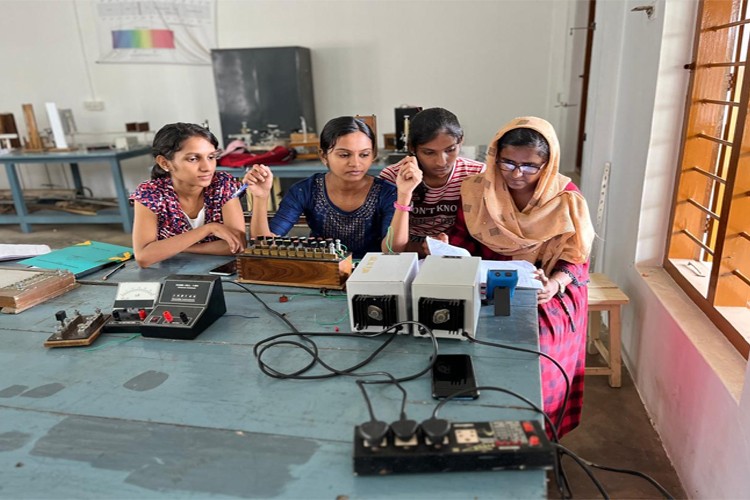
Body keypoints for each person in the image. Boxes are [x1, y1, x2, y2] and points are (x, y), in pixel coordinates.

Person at [441, 116, 594, 438]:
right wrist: (449, 247)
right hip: (487, 282)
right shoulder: (478, 191)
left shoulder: (566, 198)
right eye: (507, 162)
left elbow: (576, 258)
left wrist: (555, 283)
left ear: (547, 164)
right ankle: (480, 427)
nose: (516, 173)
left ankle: (537, 435)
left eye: (529, 166)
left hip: (548, 288)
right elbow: (463, 240)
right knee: (456, 337)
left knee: (537, 353)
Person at [242, 116, 397, 259]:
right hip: (321, 272)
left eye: (364, 155)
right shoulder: (305, 190)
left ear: (373, 155)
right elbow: (263, 246)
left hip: (371, 274)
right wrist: (260, 197)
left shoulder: (387, 193)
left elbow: (391, 250)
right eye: (344, 155)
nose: (355, 163)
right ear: (323, 156)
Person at [130, 123, 246, 268]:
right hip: (169, 274)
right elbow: (144, 257)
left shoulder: (222, 184)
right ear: (165, 163)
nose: (207, 167)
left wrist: (172, 247)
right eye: (193, 159)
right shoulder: (150, 194)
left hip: (218, 271)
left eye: (211, 157)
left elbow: (236, 245)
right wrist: (208, 229)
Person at [379, 107, 485, 254]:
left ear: (461, 141)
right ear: (412, 148)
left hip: (459, 250)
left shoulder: (476, 175)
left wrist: (446, 247)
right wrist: (404, 194)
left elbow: (481, 236)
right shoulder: (393, 176)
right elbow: (391, 249)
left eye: (450, 150)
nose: (441, 162)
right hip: (408, 254)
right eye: (429, 152)